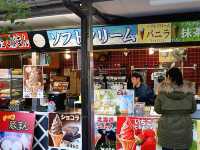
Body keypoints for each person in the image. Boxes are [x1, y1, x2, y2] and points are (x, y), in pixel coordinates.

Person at [154, 67, 197, 150]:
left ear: (169, 77)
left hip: (166, 130)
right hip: (184, 130)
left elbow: (157, 109)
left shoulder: (162, 92)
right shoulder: (189, 92)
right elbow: (193, 109)